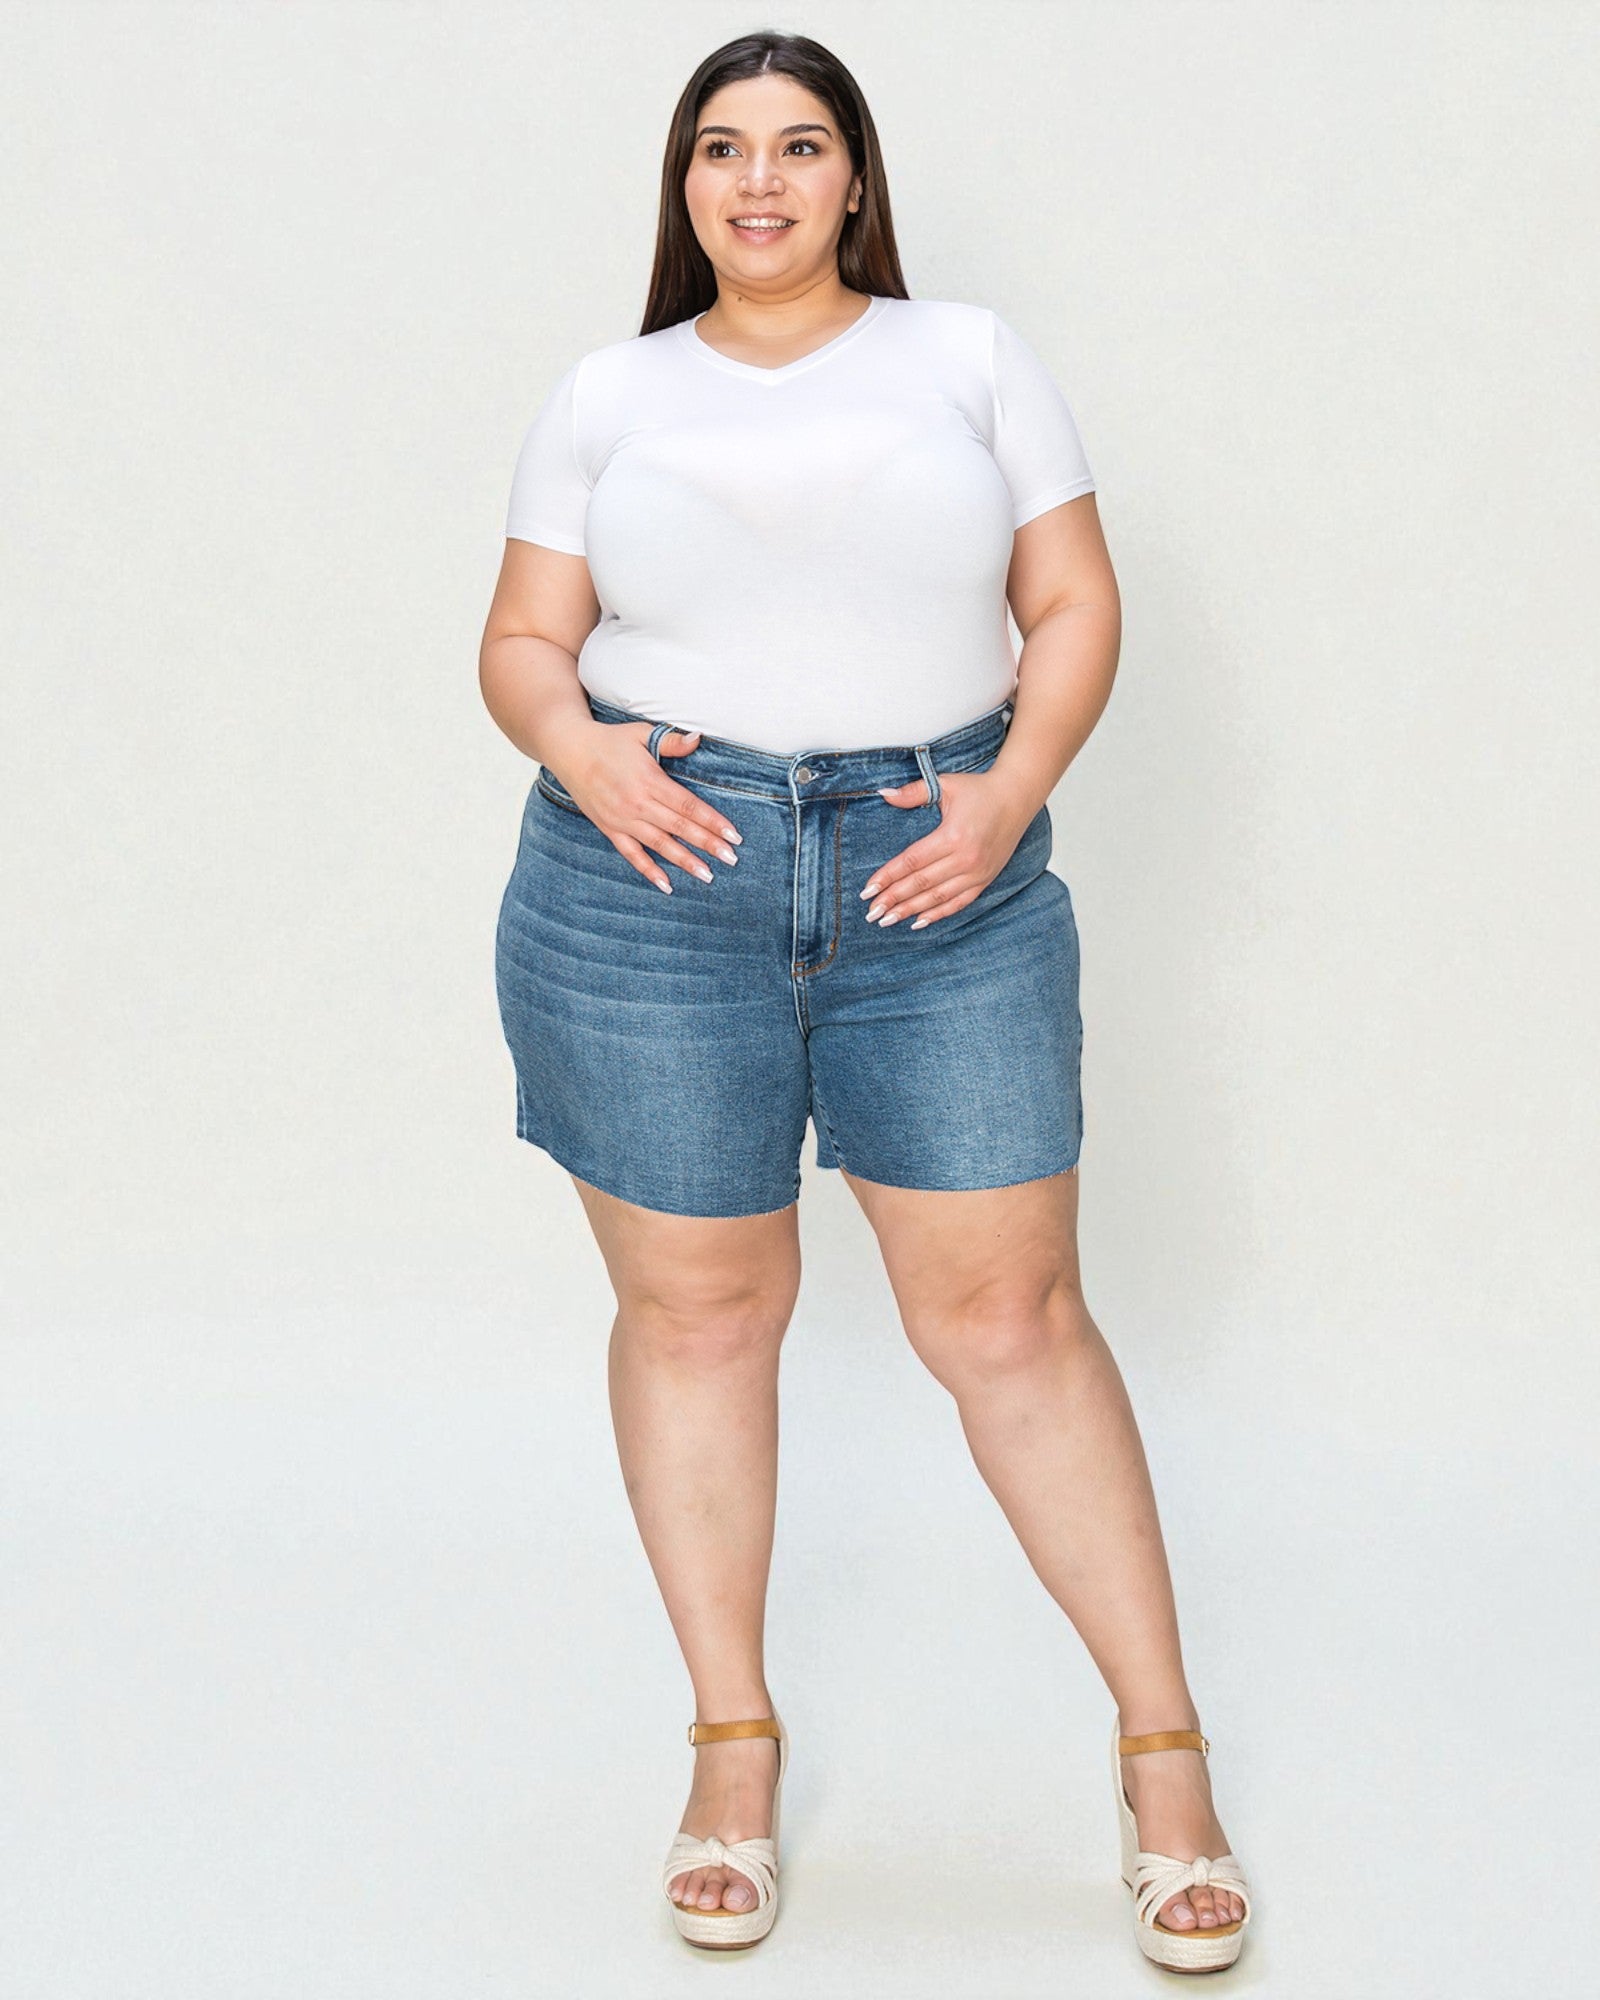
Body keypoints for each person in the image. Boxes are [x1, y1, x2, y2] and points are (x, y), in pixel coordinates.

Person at [479, 29, 1254, 1975]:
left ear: (851, 180)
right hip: (656, 882)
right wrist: (583, 754)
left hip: (943, 873)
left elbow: (1068, 605)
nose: (757, 182)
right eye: (720, 150)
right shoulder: (604, 394)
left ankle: (1161, 1758)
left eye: (797, 147)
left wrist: (1007, 790)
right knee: (700, 1314)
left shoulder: (967, 359)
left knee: (1007, 1317)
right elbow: (519, 640)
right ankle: (729, 1748)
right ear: (684, 189)